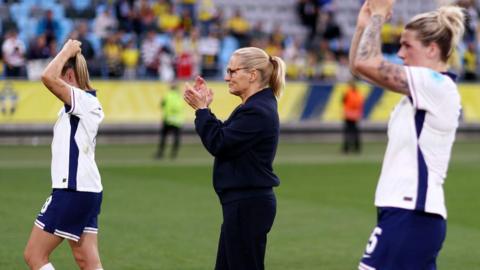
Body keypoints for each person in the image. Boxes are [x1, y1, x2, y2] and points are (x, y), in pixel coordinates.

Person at [349, 1, 465, 269]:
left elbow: (368, 63)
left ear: (432, 49)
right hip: (408, 212)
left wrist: (379, 16)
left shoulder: (437, 85)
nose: (400, 53)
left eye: (407, 45)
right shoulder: (420, 91)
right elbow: (359, 67)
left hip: (412, 212)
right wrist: (363, 25)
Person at [183, 47, 286, 270]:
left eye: (232, 71)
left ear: (253, 75)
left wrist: (201, 111)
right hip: (243, 203)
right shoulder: (254, 106)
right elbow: (226, 138)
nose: (226, 77)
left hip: (248, 204)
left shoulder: (257, 110)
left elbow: (219, 143)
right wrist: (206, 110)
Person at [23, 39, 105, 270]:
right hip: (86, 191)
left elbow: (47, 77)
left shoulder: (82, 100)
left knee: (34, 255)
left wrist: (66, 50)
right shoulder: (83, 103)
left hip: (73, 190)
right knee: (88, 262)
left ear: (69, 77)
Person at [156, 82, 185, 159]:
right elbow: (181, 107)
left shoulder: (167, 95)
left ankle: (160, 153)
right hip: (177, 121)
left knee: (163, 137)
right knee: (176, 138)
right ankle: (174, 154)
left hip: (168, 119)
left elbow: (162, 105)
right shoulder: (179, 96)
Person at [342, 79, 364, 154]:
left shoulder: (348, 92)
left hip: (348, 115)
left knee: (348, 132)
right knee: (355, 132)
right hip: (355, 115)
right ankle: (357, 148)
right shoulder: (358, 94)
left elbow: (343, 100)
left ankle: (346, 148)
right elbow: (360, 104)